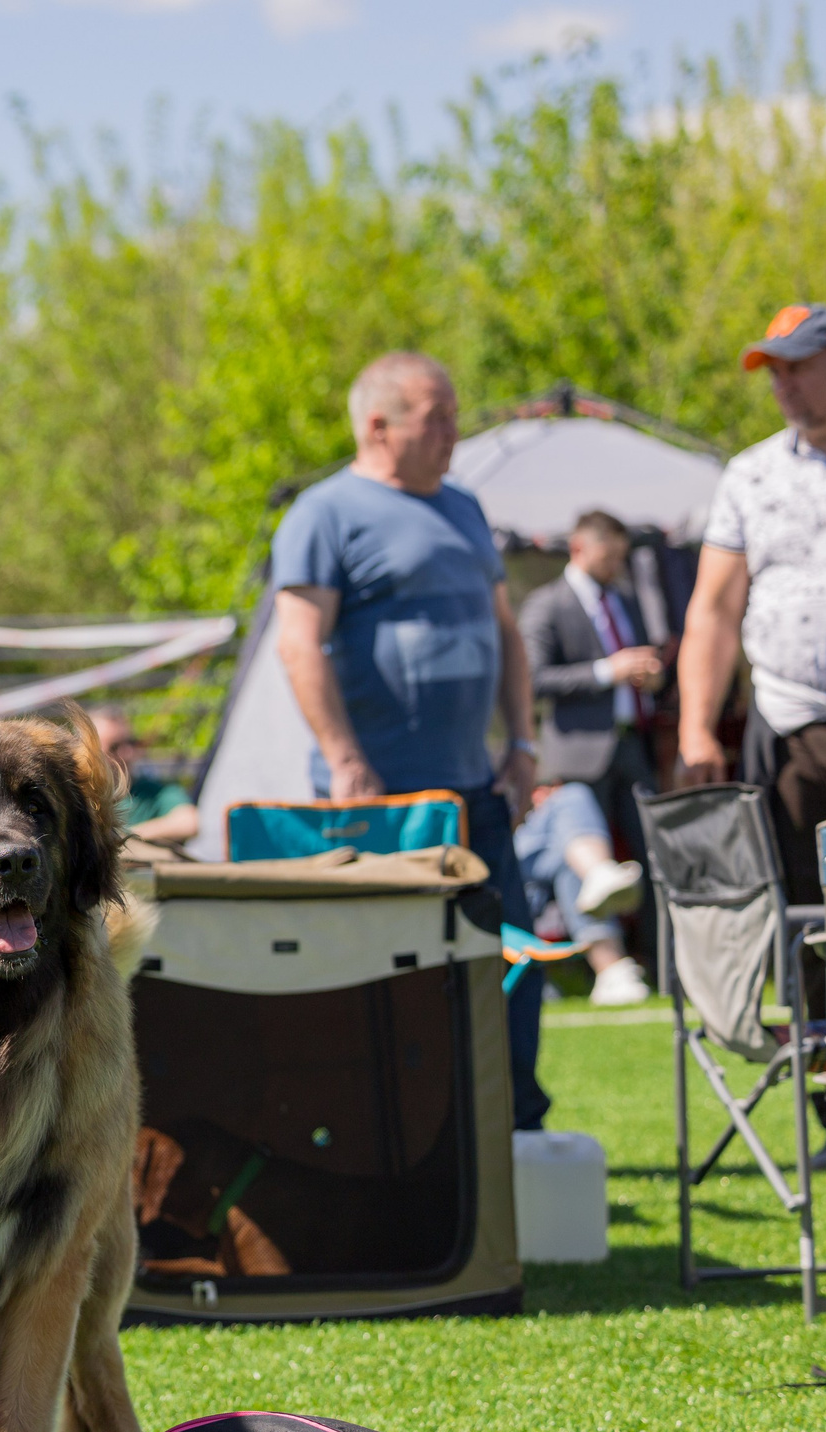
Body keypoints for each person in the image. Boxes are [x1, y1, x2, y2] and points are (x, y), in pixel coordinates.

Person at [271, 350, 549, 1129]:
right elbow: (300, 645)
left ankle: (513, 1129)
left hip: (476, 791)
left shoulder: (463, 507)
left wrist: (523, 744)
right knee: (389, 986)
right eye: (440, 420)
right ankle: (391, 1141)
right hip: (381, 799)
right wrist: (345, 758)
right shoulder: (325, 514)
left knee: (513, 961)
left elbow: (506, 635)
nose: (457, 433)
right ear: (377, 425)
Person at [677, 304, 826, 910]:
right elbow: (713, 611)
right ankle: (820, 1010)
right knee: (808, 902)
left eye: (798, 369)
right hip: (792, 718)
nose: (783, 387)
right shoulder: (750, 475)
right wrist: (696, 727)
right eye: (773, 374)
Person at [520, 509, 665, 872]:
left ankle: (654, 932)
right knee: (588, 865)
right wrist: (606, 672)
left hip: (632, 745)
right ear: (578, 548)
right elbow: (533, 680)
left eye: (621, 557)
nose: (615, 566)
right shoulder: (547, 603)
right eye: (608, 557)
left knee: (653, 856)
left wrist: (651, 677)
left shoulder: (626, 599)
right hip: (578, 755)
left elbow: (643, 658)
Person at [513, 781, 649, 1004]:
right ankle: (611, 968)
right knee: (570, 808)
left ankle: (597, 875)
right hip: (496, 869)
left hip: (532, 867)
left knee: (570, 845)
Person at [90, 709, 199, 845]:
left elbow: (189, 822)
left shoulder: (153, 792)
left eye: (130, 743)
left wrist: (124, 837)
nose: (128, 754)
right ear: (88, 752)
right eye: (114, 747)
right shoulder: (79, 795)